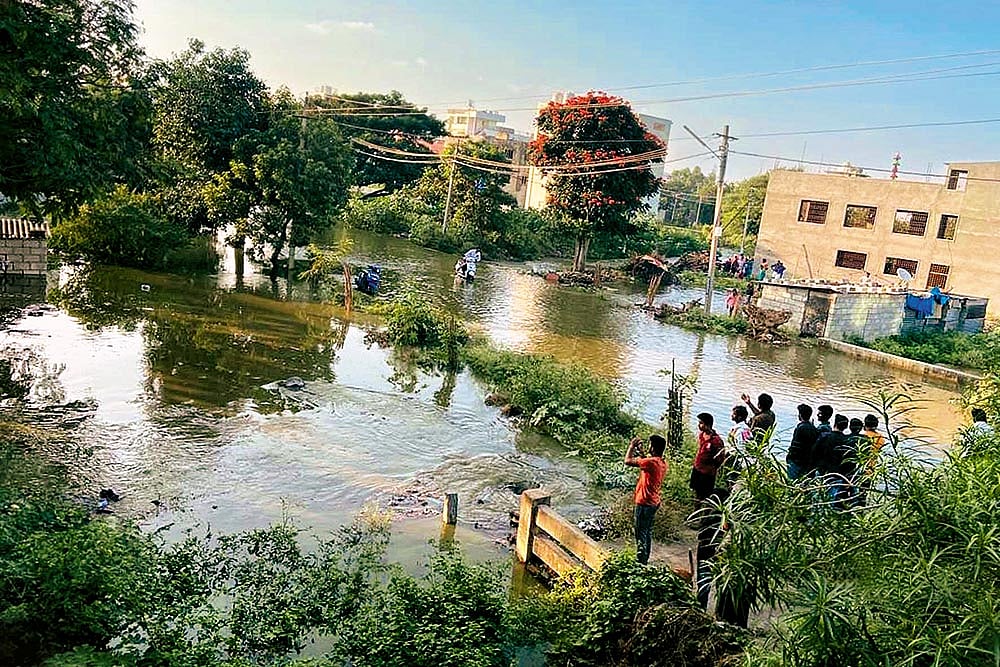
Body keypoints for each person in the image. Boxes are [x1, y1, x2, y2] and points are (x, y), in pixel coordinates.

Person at [624, 434, 668, 565]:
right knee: (647, 532)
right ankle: (644, 559)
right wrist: (642, 453)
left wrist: (631, 446)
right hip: (654, 502)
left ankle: (640, 561)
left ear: (653, 448)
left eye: (650, 445)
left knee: (640, 533)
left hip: (644, 502)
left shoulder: (650, 462)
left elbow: (627, 461)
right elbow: (646, 461)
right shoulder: (660, 462)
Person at [690, 413, 726, 501]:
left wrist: (712, 466)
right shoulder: (701, 435)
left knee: (705, 493)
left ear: (708, 425)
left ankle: (705, 511)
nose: (699, 425)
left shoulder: (716, 441)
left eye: (701, 423)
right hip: (698, 467)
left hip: (707, 472)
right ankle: (697, 508)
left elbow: (720, 458)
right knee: (697, 490)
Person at [787, 404, 819, 480]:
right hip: (806, 461)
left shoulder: (800, 428)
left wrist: (789, 456)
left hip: (796, 461)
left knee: (792, 481)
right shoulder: (814, 428)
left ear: (800, 415)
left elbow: (795, 445)